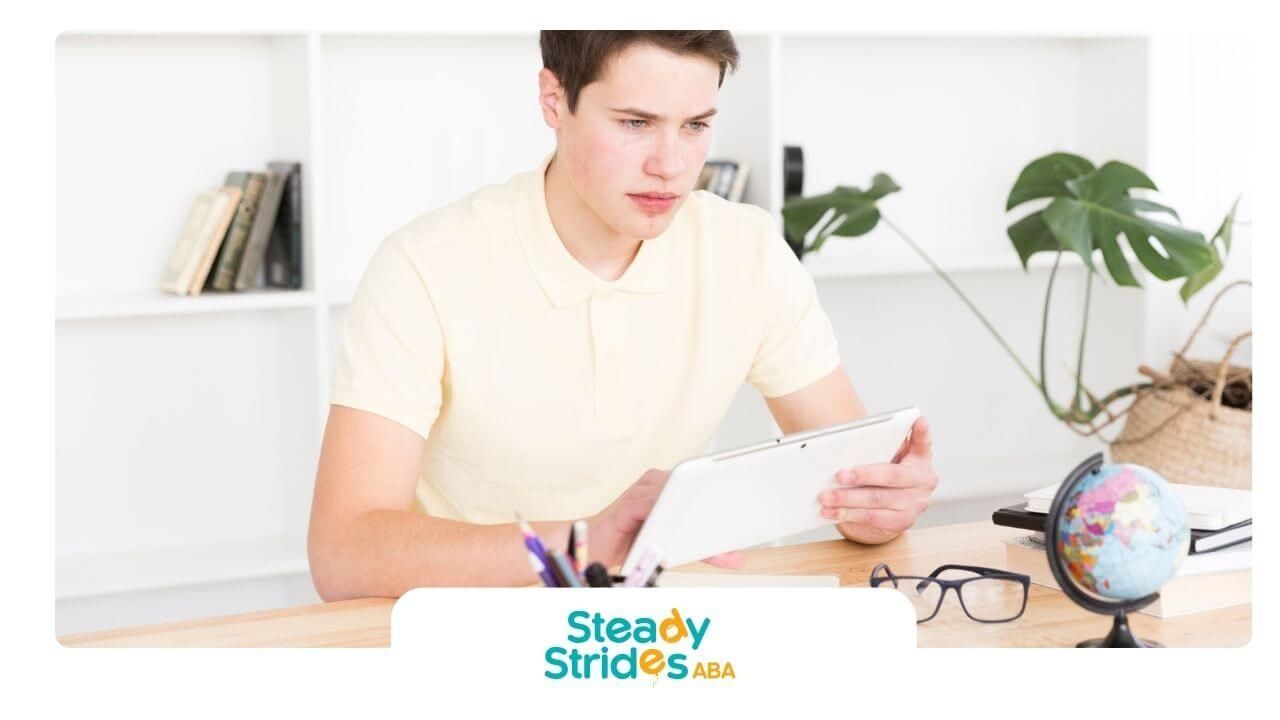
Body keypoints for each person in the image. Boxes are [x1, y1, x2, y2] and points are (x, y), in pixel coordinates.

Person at [307, 31, 938, 600]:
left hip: (665, 636)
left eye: (696, 125)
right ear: (554, 100)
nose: (671, 164)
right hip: (479, 631)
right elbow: (343, 553)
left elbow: (856, 482)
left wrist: (880, 505)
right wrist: (586, 542)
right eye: (636, 123)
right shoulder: (424, 266)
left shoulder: (747, 251)